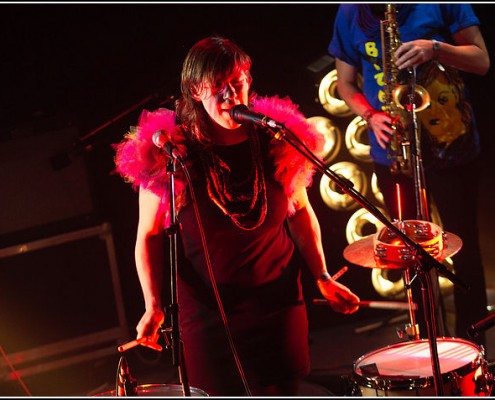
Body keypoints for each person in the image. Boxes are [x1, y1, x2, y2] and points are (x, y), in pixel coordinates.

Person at [114, 35, 360, 396]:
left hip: (278, 303)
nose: (232, 95)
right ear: (196, 91)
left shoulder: (275, 140)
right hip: (208, 317)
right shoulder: (172, 154)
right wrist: (152, 306)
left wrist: (321, 275)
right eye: (219, 87)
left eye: (238, 83)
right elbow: (148, 236)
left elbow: (299, 211)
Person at [328, 4, 489, 347]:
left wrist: (434, 47)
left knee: (465, 254)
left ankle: (471, 353)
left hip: (450, 144)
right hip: (394, 153)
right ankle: (429, 348)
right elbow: (344, 82)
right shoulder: (350, 12)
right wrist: (370, 116)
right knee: (410, 259)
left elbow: (482, 61)